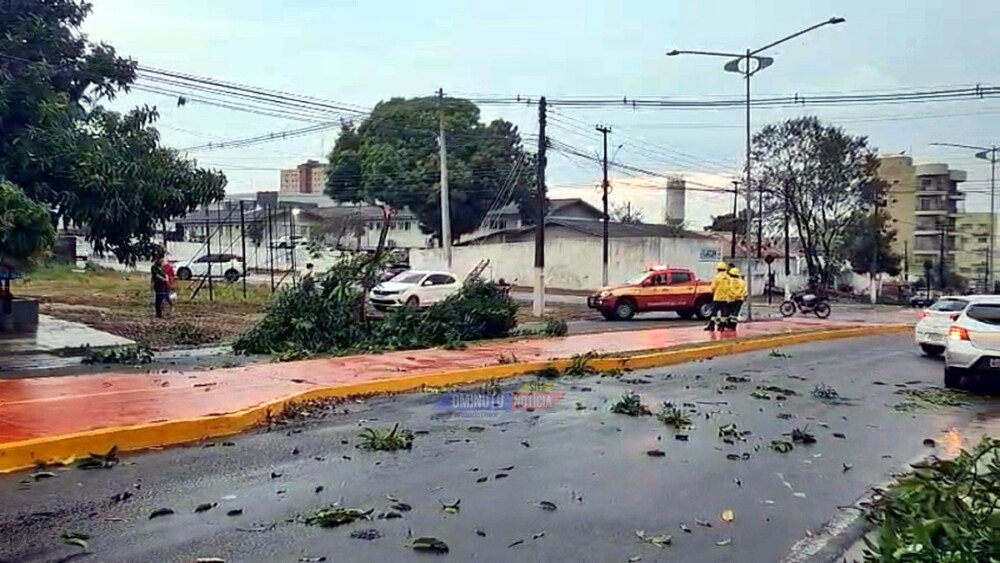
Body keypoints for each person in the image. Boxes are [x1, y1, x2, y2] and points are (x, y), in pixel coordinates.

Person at [705, 262, 731, 331]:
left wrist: (712, 292)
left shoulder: (717, 277)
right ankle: (722, 326)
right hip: (726, 298)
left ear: (718, 269)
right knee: (723, 313)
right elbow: (730, 287)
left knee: (714, 312)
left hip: (718, 297)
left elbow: (713, 287)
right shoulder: (728, 277)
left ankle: (711, 325)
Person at [723, 267, 747, 331]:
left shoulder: (728, 281)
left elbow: (726, 289)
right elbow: (745, 292)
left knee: (727, 313)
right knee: (735, 314)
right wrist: (741, 296)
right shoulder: (742, 282)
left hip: (730, 299)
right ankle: (733, 327)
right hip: (739, 299)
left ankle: (727, 325)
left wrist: (731, 296)